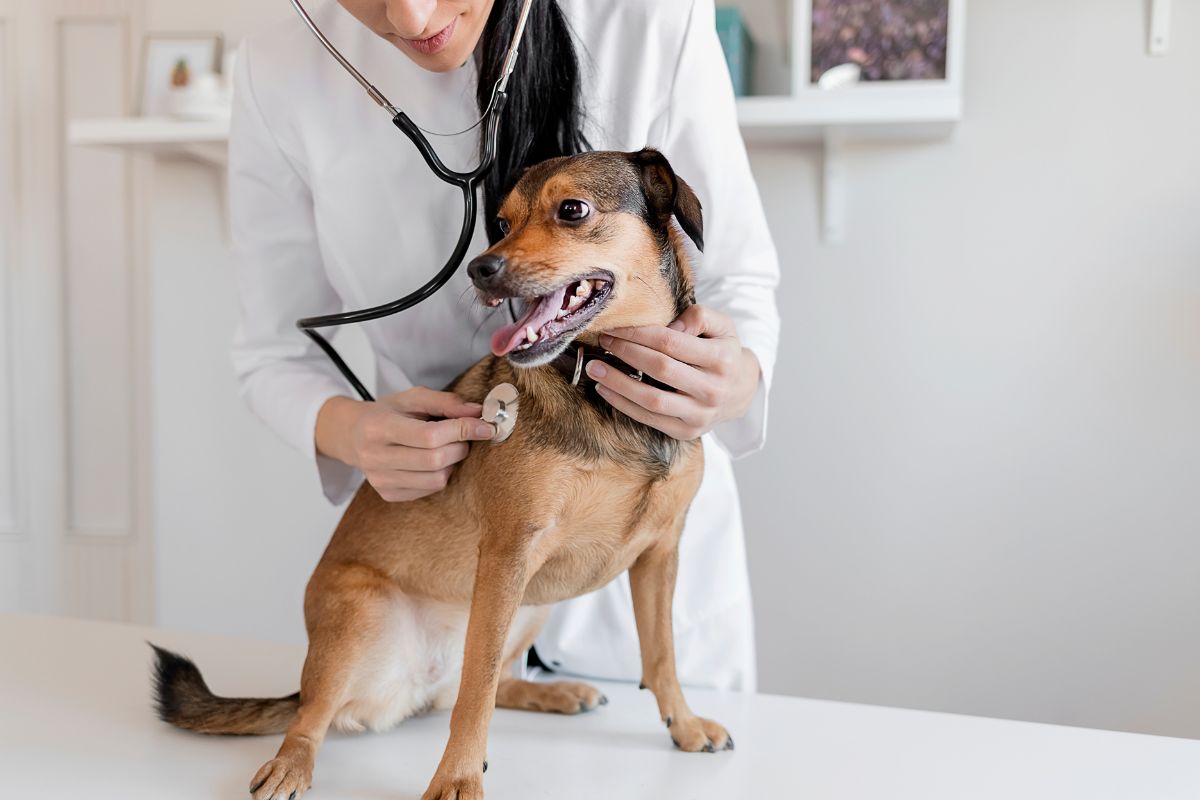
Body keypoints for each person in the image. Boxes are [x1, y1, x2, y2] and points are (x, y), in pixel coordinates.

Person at [230, 0, 780, 691]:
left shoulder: (650, 19)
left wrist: (736, 375)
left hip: (641, 582)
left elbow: (736, 277)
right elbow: (272, 352)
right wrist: (353, 430)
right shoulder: (277, 72)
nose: (410, 16)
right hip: (439, 584)